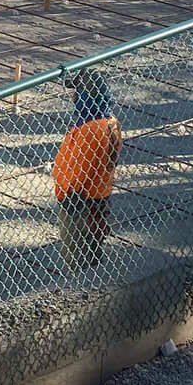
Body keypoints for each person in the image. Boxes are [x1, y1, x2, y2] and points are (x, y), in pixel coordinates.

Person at [51, 69, 121, 270]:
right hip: (99, 194)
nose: (74, 96)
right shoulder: (110, 123)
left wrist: (66, 194)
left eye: (78, 91)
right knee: (93, 247)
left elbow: (77, 170)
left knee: (76, 254)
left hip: (78, 200)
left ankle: (80, 283)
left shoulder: (90, 129)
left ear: (87, 97)